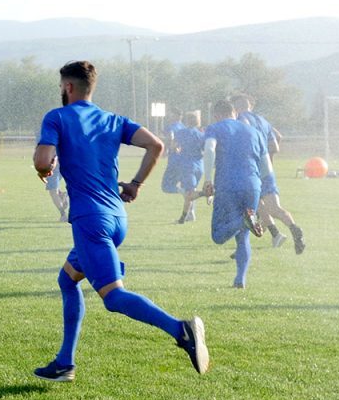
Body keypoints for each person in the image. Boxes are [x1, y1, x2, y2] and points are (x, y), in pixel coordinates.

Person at [32, 61, 208, 381]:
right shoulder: (112, 119)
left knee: (113, 298)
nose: (60, 91)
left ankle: (181, 329)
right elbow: (156, 145)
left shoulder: (56, 117)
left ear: (68, 87)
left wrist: (44, 169)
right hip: (116, 216)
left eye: (61, 86)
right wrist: (136, 184)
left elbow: (43, 161)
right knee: (67, 279)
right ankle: (64, 363)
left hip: (90, 221)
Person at [203, 99, 273, 288]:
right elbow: (267, 168)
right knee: (243, 236)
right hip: (253, 184)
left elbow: (209, 150)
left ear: (217, 115)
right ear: (234, 112)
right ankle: (240, 279)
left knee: (218, 235)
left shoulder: (215, 128)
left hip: (227, 184)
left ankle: (243, 220)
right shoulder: (255, 132)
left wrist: (207, 179)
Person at [232, 94, 305, 254]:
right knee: (275, 208)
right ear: (250, 105)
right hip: (266, 168)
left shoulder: (240, 119)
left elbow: (243, 137)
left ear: (236, 108)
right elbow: (277, 140)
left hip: (251, 167)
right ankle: (293, 227)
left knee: (253, 204)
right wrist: (269, 159)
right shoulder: (263, 121)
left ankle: (274, 234)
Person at [174, 111, 208, 224]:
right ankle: (191, 214)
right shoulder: (201, 134)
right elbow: (204, 150)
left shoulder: (181, 132)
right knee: (191, 191)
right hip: (199, 166)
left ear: (187, 120)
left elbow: (175, 146)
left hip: (187, 165)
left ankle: (184, 217)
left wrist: (178, 151)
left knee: (189, 193)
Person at [160, 108, 186, 195]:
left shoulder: (172, 127)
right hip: (184, 161)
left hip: (174, 161)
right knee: (185, 185)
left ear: (176, 115)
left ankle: (189, 193)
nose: (169, 116)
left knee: (165, 186)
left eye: (171, 114)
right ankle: (191, 205)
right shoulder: (184, 127)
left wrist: (165, 149)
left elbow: (170, 137)